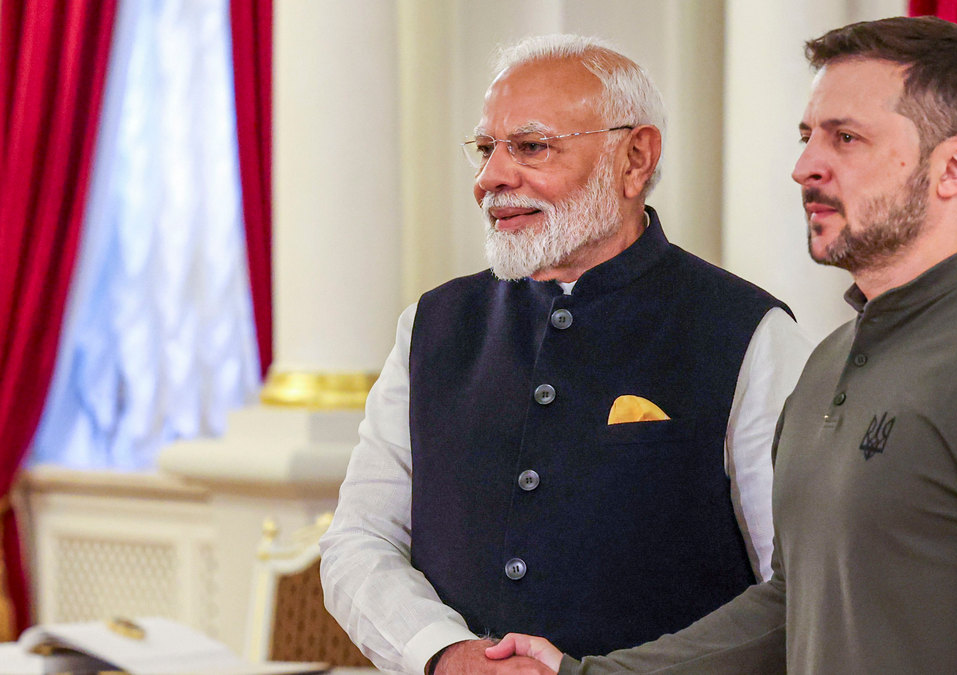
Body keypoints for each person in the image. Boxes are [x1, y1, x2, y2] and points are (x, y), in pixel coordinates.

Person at [488, 16, 957, 673]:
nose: (805, 167)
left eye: (846, 138)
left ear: (953, 167)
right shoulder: (828, 362)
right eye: (807, 137)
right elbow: (789, 610)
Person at [318, 34, 812, 674]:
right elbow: (359, 539)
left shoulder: (750, 332)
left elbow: (797, 586)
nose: (491, 178)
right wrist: (445, 654)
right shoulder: (432, 326)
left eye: (530, 147)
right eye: (485, 149)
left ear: (635, 158)